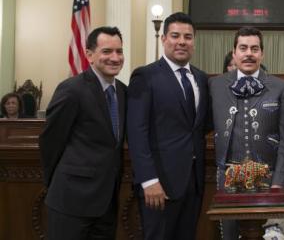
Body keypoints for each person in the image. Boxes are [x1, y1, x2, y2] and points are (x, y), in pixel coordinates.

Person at [127, 12, 209, 240]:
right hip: (159, 185)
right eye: (175, 35)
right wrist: (149, 180)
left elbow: (201, 126)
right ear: (163, 39)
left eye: (188, 36)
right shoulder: (145, 76)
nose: (182, 41)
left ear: (194, 41)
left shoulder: (201, 79)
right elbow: (136, 133)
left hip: (193, 183)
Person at [39, 26, 127, 240]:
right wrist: (57, 183)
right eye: (107, 51)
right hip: (71, 200)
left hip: (107, 202)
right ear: (89, 55)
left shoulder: (123, 91)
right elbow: (50, 141)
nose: (114, 58)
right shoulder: (72, 89)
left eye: (119, 51)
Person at [209, 26, 284, 239]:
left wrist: (279, 181)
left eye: (254, 49)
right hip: (227, 179)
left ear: (262, 53)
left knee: (269, 235)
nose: (248, 54)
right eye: (243, 48)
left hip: (268, 178)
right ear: (234, 52)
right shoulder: (215, 85)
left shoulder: (280, 87)